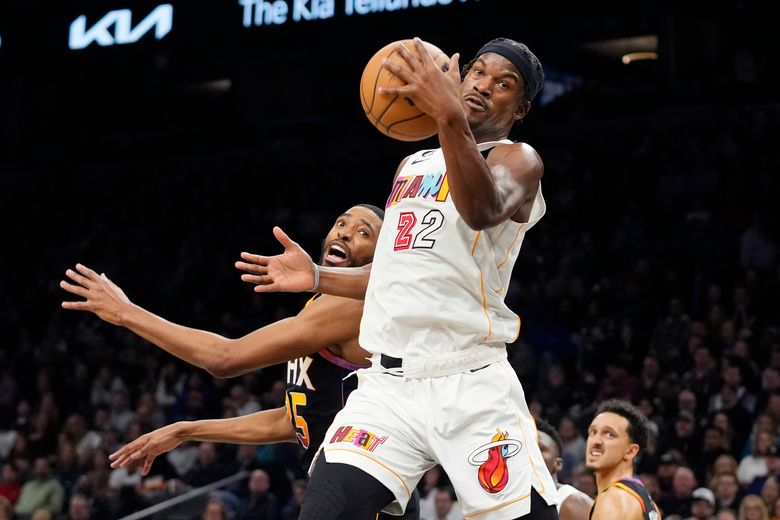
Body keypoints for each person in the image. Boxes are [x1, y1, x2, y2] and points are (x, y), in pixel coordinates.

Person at [236, 36, 558, 519]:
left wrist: (448, 115)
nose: (484, 85)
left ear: (521, 107)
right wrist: (318, 277)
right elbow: (390, 271)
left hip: (468, 382)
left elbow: (482, 209)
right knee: (324, 508)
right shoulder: (412, 163)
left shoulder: (519, 159)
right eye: (478, 72)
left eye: (504, 83)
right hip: (389, 387)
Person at [60, 204, 382, 476]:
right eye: (341, 223)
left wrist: (125, 313)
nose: (344, 232)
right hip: (340, 480)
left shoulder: (353, 305)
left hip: (360, 477)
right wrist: (186, 430)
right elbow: (290, 421)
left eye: (363, 232)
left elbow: (225, 358)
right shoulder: (321, 305)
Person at [585, 400, 661, 520]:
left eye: (609, 434)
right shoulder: (648, 502)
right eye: (593, 432)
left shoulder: (613, 501)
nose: (596, 441)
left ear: (631, 451)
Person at [535, 418, 594, 519]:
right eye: (527, 447)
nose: (531, 453)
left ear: (558, 464)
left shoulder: (574, 502)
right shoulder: (510, 500)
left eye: (540, 448)